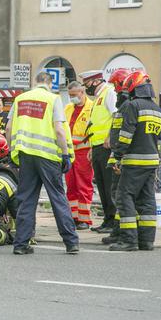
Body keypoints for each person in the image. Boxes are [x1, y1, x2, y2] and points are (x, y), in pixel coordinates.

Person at [6, 71, 79, 255]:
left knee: (26, 199)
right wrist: (64, 154)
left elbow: (8, 128)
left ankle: (21, 244)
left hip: (25, 155)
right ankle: (71, 242)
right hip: (47, 157)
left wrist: (11, 151)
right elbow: (60, 130)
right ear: (50, 83)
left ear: (35, 82)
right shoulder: (53, 99)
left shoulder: (20, 99)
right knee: (57, 198)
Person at [110, 71, 161, 252]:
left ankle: (128, 241)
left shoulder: (133, 106)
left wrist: (117, 156)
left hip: (134, 161)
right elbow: (159, 138)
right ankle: (147, 241)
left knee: (125, 197)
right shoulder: (157, 109)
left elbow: (126, 135)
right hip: (151, 162)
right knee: (147, 200)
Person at [80, 70, 117, 233]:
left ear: (95, 81)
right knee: (101, 186)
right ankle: (107, 220)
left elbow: (116, 116)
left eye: (86, 84)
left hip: (106, 147)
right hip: (97, 148)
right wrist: (91, 147)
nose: (86, 88)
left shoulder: (109, 93)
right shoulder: (98, 98)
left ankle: (113, 221)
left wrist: (111, 136)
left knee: (109, 186)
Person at [100, 68, 132, 245]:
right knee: (117, 195)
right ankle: (118, 230)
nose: (113, 89)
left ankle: (121, 232)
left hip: (123, 157)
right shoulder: (124, 104)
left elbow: (125, 134)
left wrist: (119, 157)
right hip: (117, 155)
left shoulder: (127, 105)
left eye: (114, 85)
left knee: (120, 196)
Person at [64, 81, 94, 230]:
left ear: (82, 92)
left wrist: (92, 149)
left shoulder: (92, 108)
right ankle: (73, 217)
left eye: (74, 95)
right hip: (70, 152)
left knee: (84, 185)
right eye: (70, 95)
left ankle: (84, 219)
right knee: (71, 185)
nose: (72, 98)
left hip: (84, 152)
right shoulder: (68, 108)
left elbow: (95, 130)